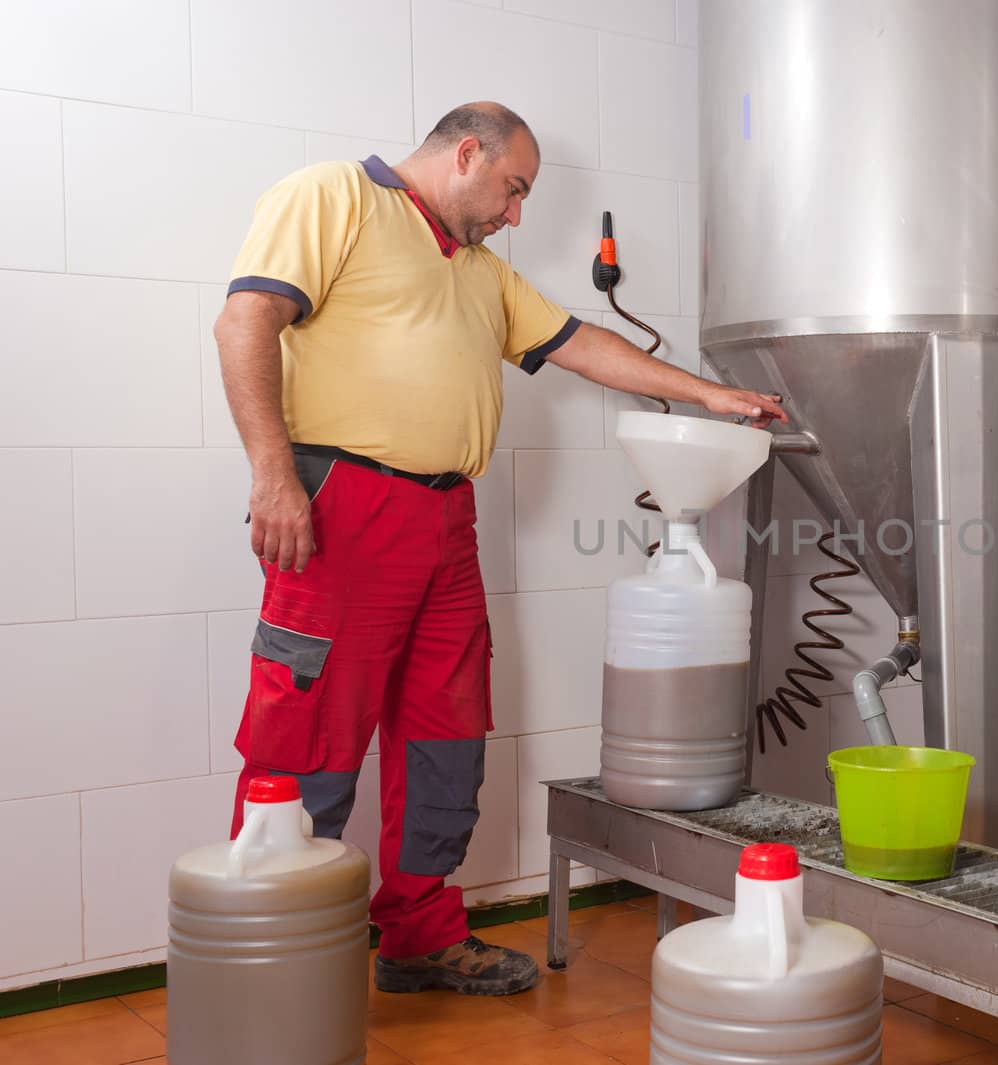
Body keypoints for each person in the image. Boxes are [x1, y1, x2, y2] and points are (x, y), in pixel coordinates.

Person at [215, 101, 786, 996]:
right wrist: (271, 475)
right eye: (514, 189)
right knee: (311, 728)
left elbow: (582, 341)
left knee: (447, 728)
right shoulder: (335, 198)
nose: (516, 214)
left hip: (446, 522)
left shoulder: (479, 271)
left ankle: (419, 934)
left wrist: (710, 397)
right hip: (343, 507)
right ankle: (278, 961)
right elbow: (244, 322)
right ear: (468, 153)